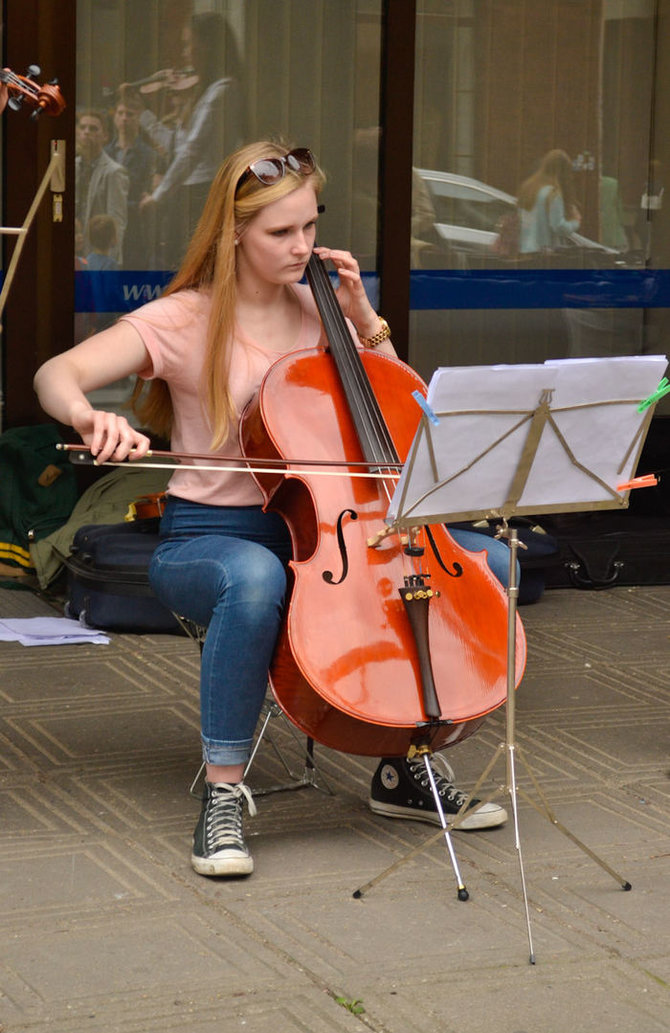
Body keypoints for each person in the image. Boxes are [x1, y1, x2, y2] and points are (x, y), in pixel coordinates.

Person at [34, 140, 506, 881]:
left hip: (323, 528)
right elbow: (55, 371)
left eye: (311, 226)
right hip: (211, 535)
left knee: (489, 564)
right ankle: (223, 793)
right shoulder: (185, 319)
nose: (304, 246)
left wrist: (362, 314)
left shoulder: (322, 309)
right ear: (233, 235)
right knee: (254, 578)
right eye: (281, 233)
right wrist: (89, 416)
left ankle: (405, 760)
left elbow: (388, 404)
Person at [138, 11, 242, 266]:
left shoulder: (222, 92)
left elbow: (191, 151)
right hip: (190, 190)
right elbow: (179, 146)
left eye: (188, 44)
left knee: (186, 263)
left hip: (201, 191)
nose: (184, 53)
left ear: (206, 46)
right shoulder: (209, 92)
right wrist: (141, 115)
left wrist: (158, 196)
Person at [105, 88, 157, 269]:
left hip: (135, 225)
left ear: (138, 120)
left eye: (130, 114)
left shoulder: (148, 155)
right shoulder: (106, 153)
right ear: (115, 118)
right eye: (120, 113)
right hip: (107, 224)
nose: (124, 118)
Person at [75, 109, 129, 265]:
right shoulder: (73, 167)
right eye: (83, 127)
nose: (86, 132)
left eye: (93, 129)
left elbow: (117, 223)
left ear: (105, 136)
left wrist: (107, 262)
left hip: (100, 256)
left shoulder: (114, 172)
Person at [517, 148, 581, 254]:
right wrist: (575, 222)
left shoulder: (528, 188)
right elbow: (559, 227)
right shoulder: (553, 193)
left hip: (525, 250)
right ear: (563, 172)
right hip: (545, 254)